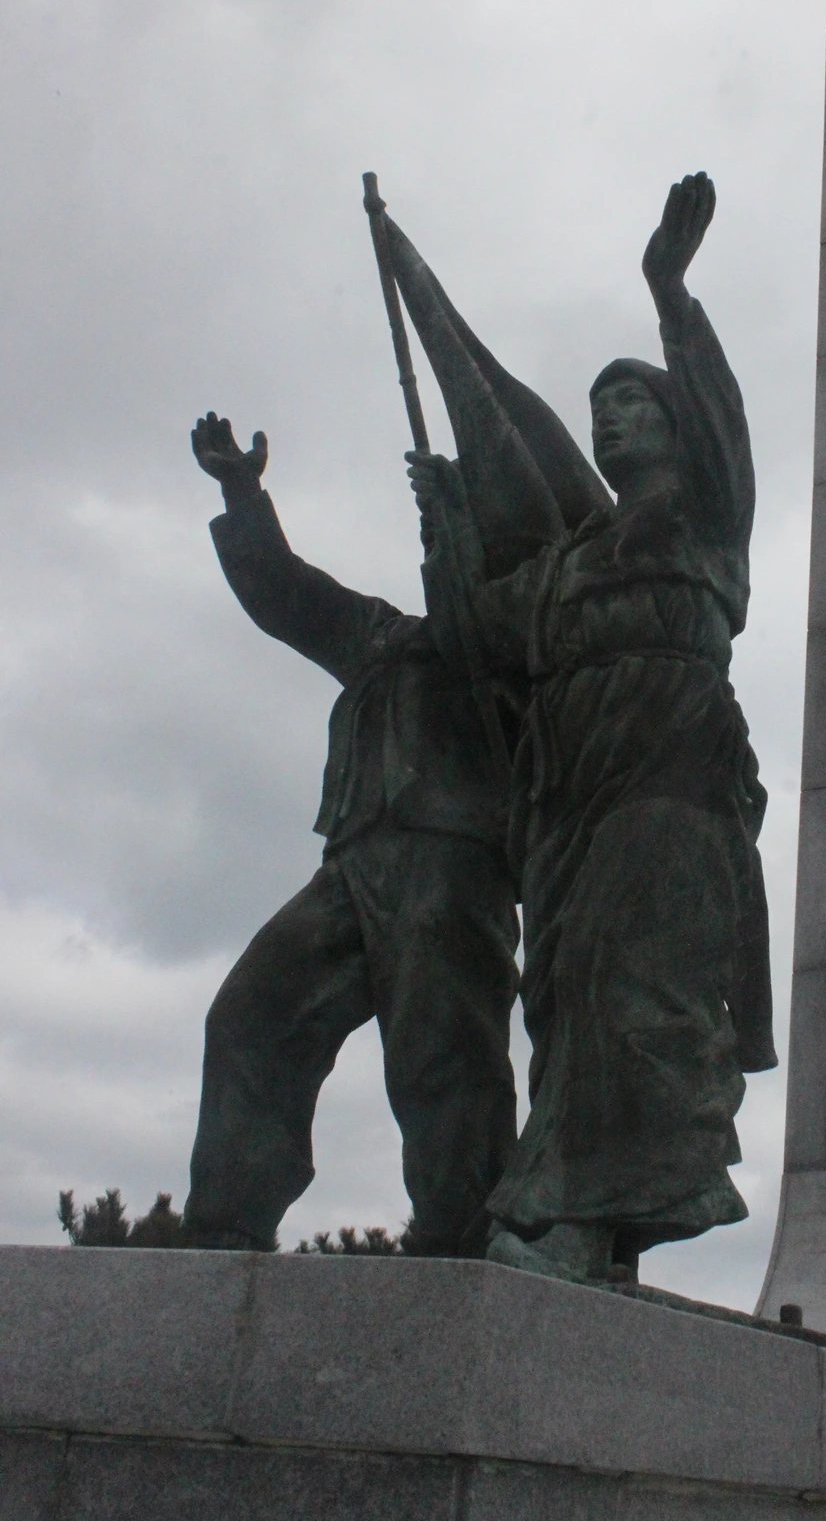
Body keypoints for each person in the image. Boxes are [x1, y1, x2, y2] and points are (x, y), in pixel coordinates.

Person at [409, 172, 776, 1284]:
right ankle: (598, 1222)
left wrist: (670, 294)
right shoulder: (567, 564)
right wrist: (448, 531)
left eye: (631, 403)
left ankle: (572, 1211)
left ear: (671, 426)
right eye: (598, 407)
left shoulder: (704, 521)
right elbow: (475, 637)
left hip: (672, 788)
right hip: (568, 805)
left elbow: (726, 431)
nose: (609, 417)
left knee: (636, 988)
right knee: (567, 996)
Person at [182, 415, 519, 1256]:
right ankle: (225, 1226)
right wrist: (242, 492)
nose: (440, 547)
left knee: (444, 1062)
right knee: (253, 1012)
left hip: (451, 867)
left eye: (457, 533)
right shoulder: (382, 636)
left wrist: (459, 522)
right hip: (352, 864)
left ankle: (465, 1243)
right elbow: (284, 590)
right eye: (433, 532)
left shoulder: (515, 651)